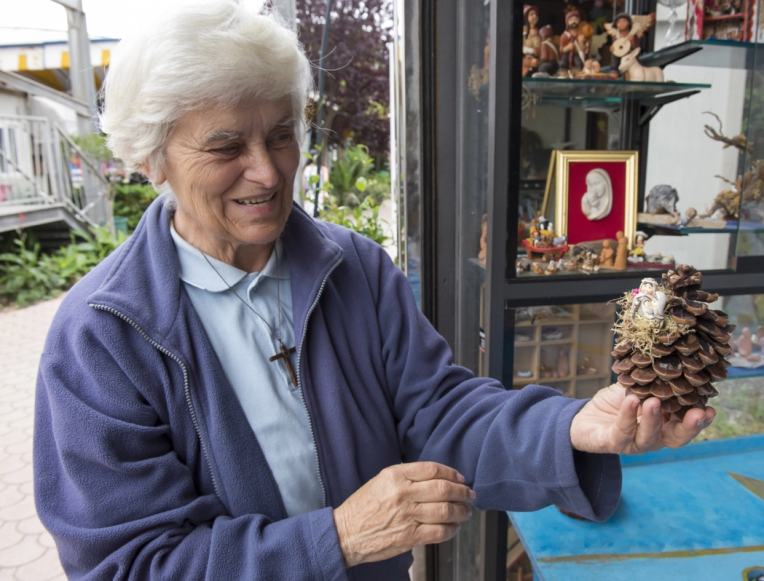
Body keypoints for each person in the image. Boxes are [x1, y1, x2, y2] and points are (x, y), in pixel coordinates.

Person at [33, 2, 715, 580]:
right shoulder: (103, 335)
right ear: (151, 158)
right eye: (224, 147)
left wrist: (570, 429)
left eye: (281, 134)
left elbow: (440, 415)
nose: (267, 172)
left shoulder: (352, 268)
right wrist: (336, 538)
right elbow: (132, 563)